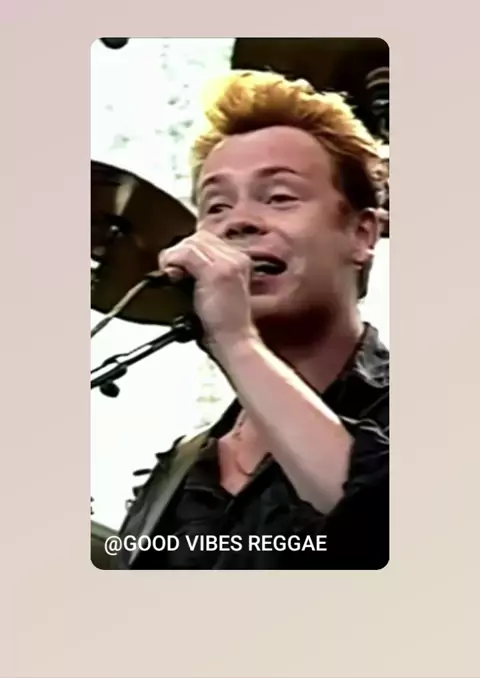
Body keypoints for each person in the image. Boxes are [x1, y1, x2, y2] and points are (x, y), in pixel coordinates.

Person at [110, 70, 389, 570]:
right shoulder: (180, 471)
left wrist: (236, 342)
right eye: (216, 206)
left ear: (361, 233)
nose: (238, 222)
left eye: (279, 197)